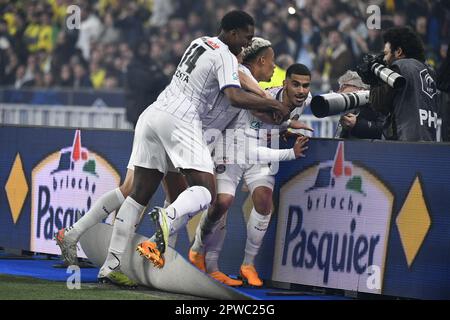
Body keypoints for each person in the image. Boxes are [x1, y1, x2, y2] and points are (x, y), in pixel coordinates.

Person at [105, 10, 288, 286]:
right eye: (246, 37)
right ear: (233, 33)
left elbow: (244, 91)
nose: (247, 43)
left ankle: (119, 260)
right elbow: (236, 94)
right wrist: (271, 102)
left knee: (143, 193)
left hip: (158, 116)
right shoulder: (227, 58)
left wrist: (278, 113)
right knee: (206, 193)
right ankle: (165, 226)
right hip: (183, 125)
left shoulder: (199, 42)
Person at [189, 57, 312, 287]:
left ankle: (247, 265)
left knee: (264, 202)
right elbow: (251, 150)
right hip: (234, 148)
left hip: (262, 150)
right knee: (223, 203)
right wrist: (290, 153)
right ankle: (197, 251)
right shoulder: (260, 101)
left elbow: (277, 128)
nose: (302, 90)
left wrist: (284, 129)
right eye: (296, 84)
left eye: (306, 86)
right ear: (285, 84)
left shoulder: (305, 99)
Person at [357, 26, 439, 141]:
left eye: (385, 54)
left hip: (404, 142)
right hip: (429, 141)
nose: (384, 60)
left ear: (399, 52)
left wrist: (374, 80)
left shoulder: (400, 66)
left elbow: (378, 104)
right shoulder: (429, 71)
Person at [336, 71, 384, 139]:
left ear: (360, 88)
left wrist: (357, 124)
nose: (339, 92)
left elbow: (383, 130)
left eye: (344, 87)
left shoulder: (377, 103)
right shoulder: (350, 107)